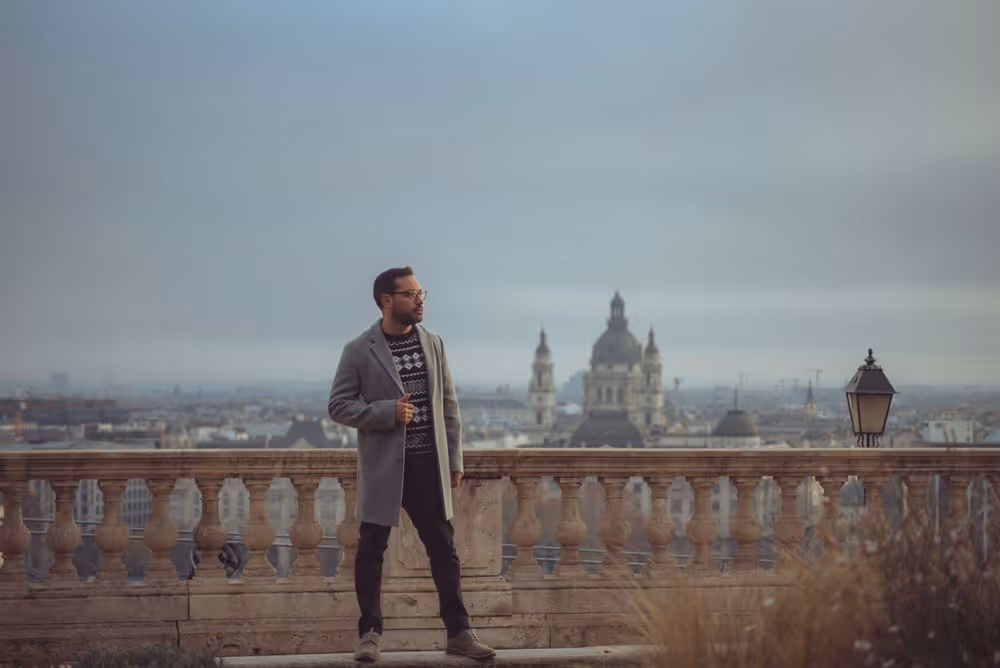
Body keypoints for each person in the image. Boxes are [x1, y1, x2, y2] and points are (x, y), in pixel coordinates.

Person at [327, 266, 496, 663]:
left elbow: (449, 407)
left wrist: (453, 459)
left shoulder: (434, 344)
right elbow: (338, 406)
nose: (420, 300)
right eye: (410, 294)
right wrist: (388, 413)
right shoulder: (358, 349)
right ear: (387, 301)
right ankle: (369, 634)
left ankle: (459, 632)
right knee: (371, 550)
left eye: (422, 293)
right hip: (385, 467)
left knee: (443, 547)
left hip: (427, 466)